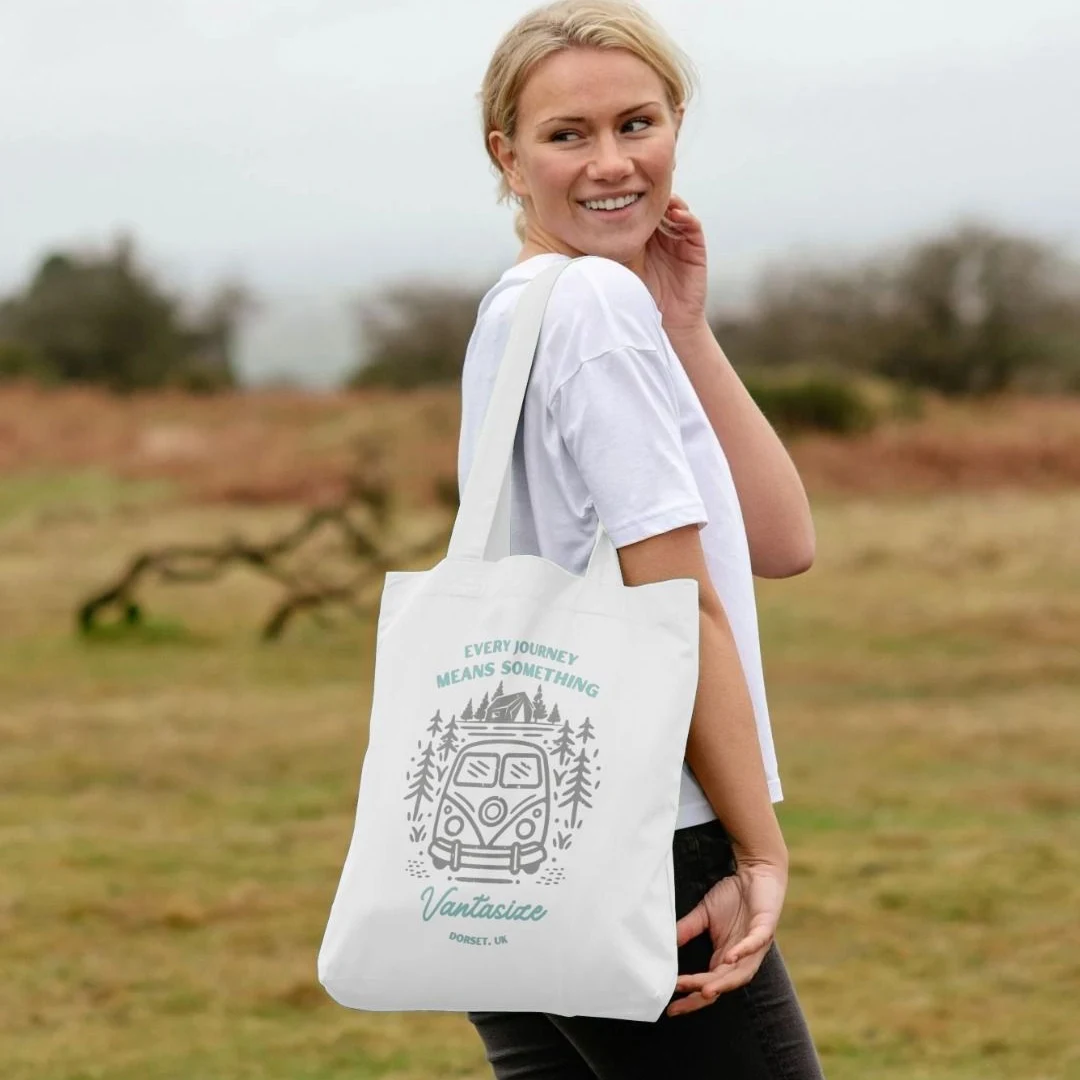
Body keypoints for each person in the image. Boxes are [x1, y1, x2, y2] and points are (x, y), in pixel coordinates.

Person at [457, 2, 824, 1076]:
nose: (613, 162)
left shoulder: (524, 308)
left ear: (676, 128)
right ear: (509, 157)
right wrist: (755, 849)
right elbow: (678, 604)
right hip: (646, 833)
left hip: (506, 841)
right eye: (567, 134)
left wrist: (685, 326)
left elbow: (781, 541)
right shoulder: (591, 311)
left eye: (638, 123)